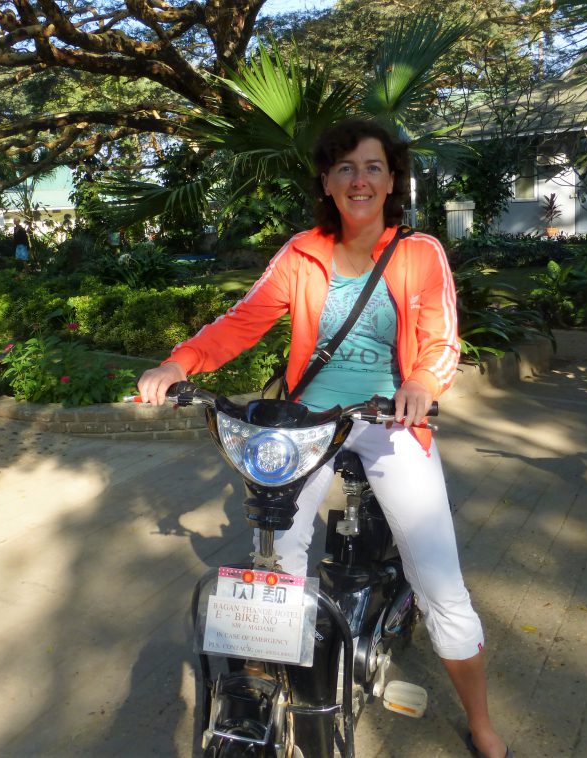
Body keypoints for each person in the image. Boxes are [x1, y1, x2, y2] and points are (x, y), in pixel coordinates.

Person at [137, 119, 510, 758]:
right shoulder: (302, 251)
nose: (359, 179)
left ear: (392, 179)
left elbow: (441, 337)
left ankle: (480, 722)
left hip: (392, 419)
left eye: (372, 167)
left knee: (440, 582)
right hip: (310, 419)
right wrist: (180, 364)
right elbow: (242, 321)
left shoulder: (420, 253)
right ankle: (286, 680)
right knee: (276, 559)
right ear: (328, 182)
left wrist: (421, 383)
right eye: (344, 168)